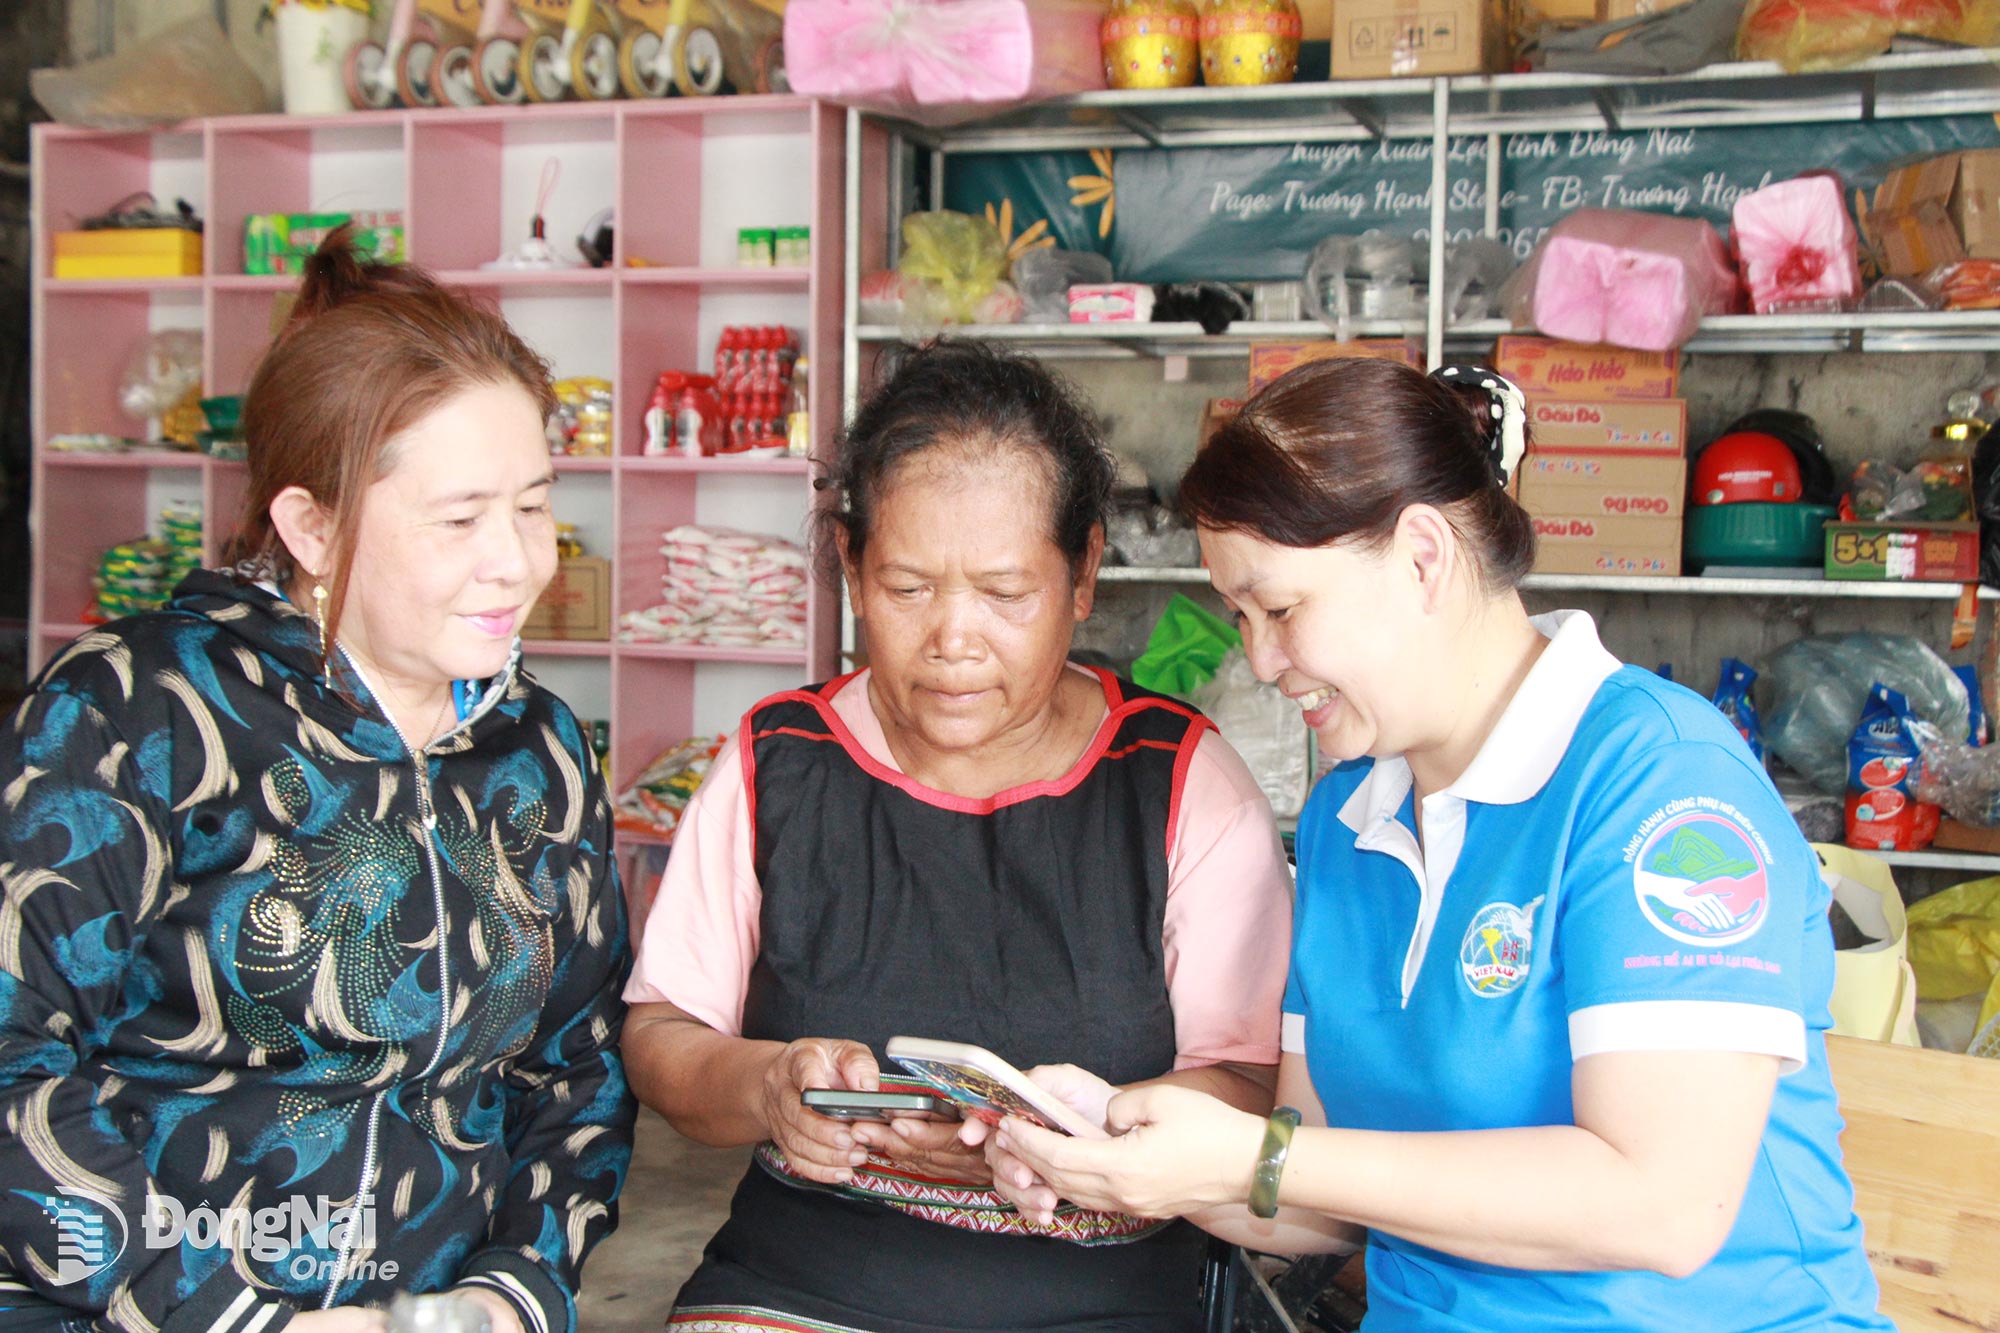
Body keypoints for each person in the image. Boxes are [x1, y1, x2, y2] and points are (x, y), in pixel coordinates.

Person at [985, 357, 1893, 1332]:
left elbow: (1663, 1204)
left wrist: (1254, 1155)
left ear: (1422, 556)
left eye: (1281, 609)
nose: (1259, 659)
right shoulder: (1343, 825)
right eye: (1240, 618)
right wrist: (1118, 1154)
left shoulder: (1660, 784)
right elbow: (1319, 1193)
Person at [0, 232, 635, 1333]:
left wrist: (512, 1292)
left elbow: (577, 1070)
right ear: (313, 527)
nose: (520, 561)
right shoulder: (135, 711)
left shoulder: (539, 748)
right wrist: (240, 1319)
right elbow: (12, 1067)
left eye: (534, 505)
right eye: (461, 518)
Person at [621, 340, 1294, 1333]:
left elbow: (1249, 1082)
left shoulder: (1178, 780)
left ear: (1082, 573)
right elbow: (661, 1035)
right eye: (907, 588)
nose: (953, 640)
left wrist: (1080, 1136)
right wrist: (768, 1088)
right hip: (806, 1282)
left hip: (1098, 1302)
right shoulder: (778, 761)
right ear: (851, 568)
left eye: (1005, 593)